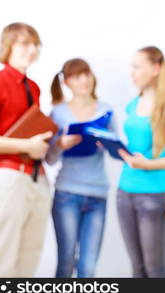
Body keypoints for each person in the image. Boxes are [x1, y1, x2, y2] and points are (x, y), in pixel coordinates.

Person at [116, 46, 165, 278]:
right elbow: (133, 148)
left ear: (155, 68)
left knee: (154, 268)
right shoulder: (132, 104)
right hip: (124, 193)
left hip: (154, 196)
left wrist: (147, 165)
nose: (132, 73)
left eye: (137, 67)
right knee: (137, 268)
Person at [0, 23, 53, 277]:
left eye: (35, 44)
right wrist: (26, 146)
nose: (32, 50)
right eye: (24, 44)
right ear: (9, 46)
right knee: (2, 259)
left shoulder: (34, 87)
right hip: (10, 178)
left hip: (38, 179)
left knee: (30, 257)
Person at [46, 58, 114, 278]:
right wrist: (59, 144)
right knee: (65, 263)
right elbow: (49, 159)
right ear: (66, 82)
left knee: (88, 268)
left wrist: (107, 142)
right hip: (67, 194)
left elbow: (120, 152)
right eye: (76, 76)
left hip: (98, 195)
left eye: (86, 74)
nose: (84, 80)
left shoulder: (106, 110)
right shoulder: (57, 113)